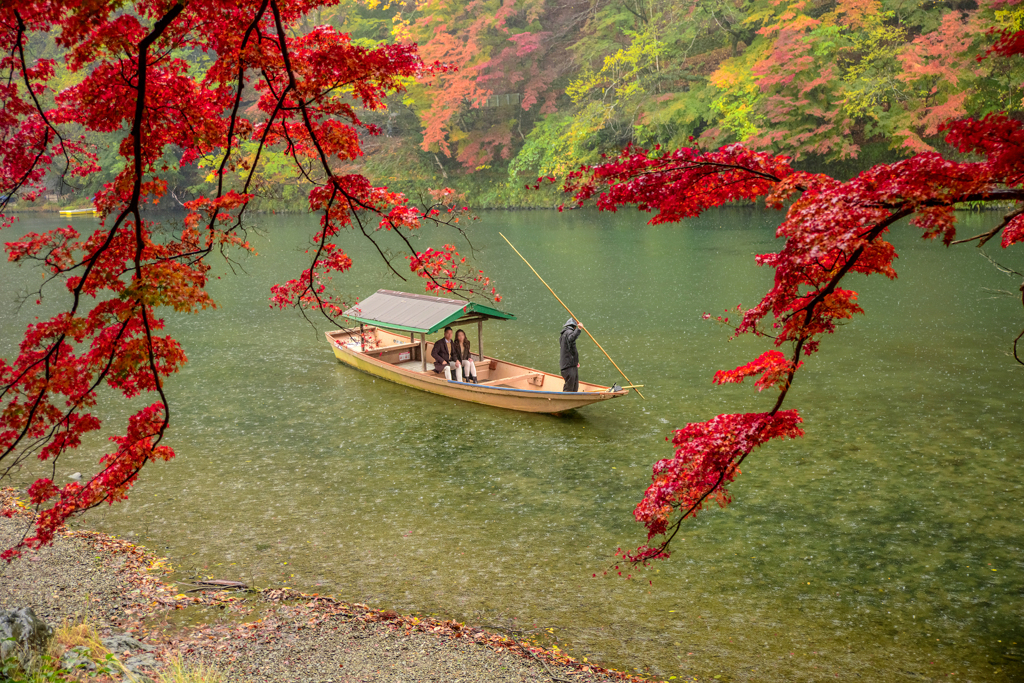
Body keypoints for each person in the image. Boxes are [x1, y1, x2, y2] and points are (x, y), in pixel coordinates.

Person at [559, 317, 583, 392]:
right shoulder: (568, 332)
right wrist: (578, 329)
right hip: (568, 366)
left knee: (575, 386)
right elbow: (571, 338)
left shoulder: (564, 334)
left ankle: (572, 399)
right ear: (574, 327)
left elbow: (570, 350)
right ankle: (564, 401)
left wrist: (575, 361)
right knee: (570, 387)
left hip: (571, 364)